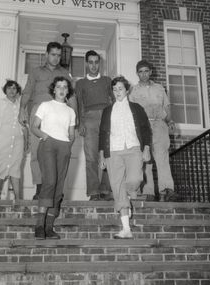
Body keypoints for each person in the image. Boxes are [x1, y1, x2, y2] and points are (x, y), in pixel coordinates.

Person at [18, 42, 76, 200]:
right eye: (53, 54)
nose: (56, 58)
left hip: (59, 116)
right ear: (46, 54)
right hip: (39, 114)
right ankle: (40, 188)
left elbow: (71, 96)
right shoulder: (36, 71)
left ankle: (56, 190)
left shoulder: (65, 73)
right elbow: (27, 92)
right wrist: (22, 110)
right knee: (38, 153)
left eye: (58, 55)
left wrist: (74, 118)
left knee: (58, 154)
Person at [99, 76, 152, 239]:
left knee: (135, 179)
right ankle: (126, 229)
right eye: (114, 90)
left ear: (127, 90)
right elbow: (102, 134)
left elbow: (145, 129)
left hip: (133, 148)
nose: (117, 92)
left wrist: (147, 148)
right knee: (118, 188)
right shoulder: (108, 110)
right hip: (113, 152)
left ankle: (127, 196)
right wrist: (102, 154)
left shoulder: (136, 108)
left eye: (120, 89)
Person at [31, 76, 76, 239]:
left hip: (64, 147)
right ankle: (39, 225)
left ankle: (49, 227)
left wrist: (67, 146)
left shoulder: (71, 111)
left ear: (68, 90)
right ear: (54, 89)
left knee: (58, 187)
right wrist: (45, 136)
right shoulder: (45, 105)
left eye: (65, 87)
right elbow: (34, 126)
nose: (62, 89)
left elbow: (72, 134)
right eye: (59, 86)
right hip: (48, 145)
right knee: (49, 182)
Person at [129, 60, 179, 202]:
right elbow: (131, 111)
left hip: (159, 126)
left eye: (146, 71)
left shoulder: (159, 88)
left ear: (150, 72)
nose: (143, 74)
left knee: (162, 157)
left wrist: (170, 121)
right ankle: (148, 192)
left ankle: (167, 190)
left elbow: (167, 107)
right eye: (140, 71)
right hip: (143, 127)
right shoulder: (133, 90)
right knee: (146, 160)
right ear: (137, 73)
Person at [75, 50, 114, 201]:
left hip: (107, 118)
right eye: (90, 62)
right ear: (86, 63)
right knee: (91, 156)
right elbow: (79, 104)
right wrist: (81, 123)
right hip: (89, 119)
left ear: (99, 63)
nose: (93, 65)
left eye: (96, 62)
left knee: (108, 155)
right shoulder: (80, 83)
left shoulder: (106, 81)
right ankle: (93, 192)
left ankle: (105, 190)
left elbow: (114, 100)